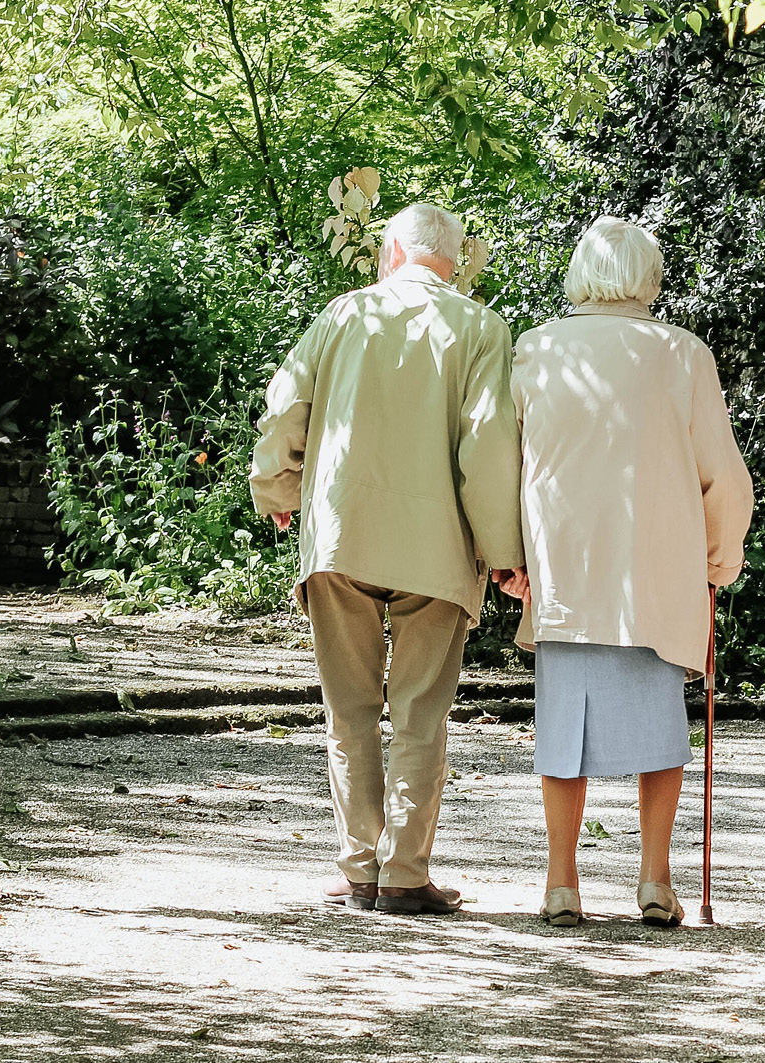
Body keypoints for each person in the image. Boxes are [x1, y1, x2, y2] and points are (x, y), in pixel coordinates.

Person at [249, 203, 526, 915]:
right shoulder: (481, 328)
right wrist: (503, 553)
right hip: (436, 545)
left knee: (348, 709)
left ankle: (358, 868)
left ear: (391, 252)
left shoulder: (341, 315)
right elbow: (488, 446)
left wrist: (276, 486)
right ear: (455, 261)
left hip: (343, 535)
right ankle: (404, 873)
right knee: (420, 712)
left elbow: (286, 410)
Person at [502, 216, 753, 928]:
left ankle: (560, 882)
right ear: (649, 277)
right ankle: (654, 879)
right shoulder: (682, 355)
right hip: (656, 571)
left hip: (567, 567)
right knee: (660, 729)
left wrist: (509, 557)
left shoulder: (537, 349)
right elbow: (724, 478)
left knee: (562, 730)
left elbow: (506, 464)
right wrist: (718, 557)